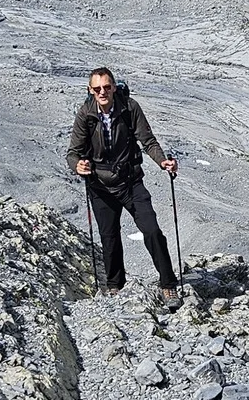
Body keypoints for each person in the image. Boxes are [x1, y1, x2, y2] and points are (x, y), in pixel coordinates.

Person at [66, 67, 182, 309]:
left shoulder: (129, 108)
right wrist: (78, 166)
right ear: (90, 90)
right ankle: (115, 286)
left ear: (114, 87)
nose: (102, 92)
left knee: (152, 230)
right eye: (97, 88)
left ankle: (168, 285)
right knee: (109, 238)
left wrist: (163, 161)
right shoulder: (86, 114)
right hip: (100, 186)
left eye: (106, 87)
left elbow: (148, 140)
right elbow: (73, 153)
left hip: (130, 181)